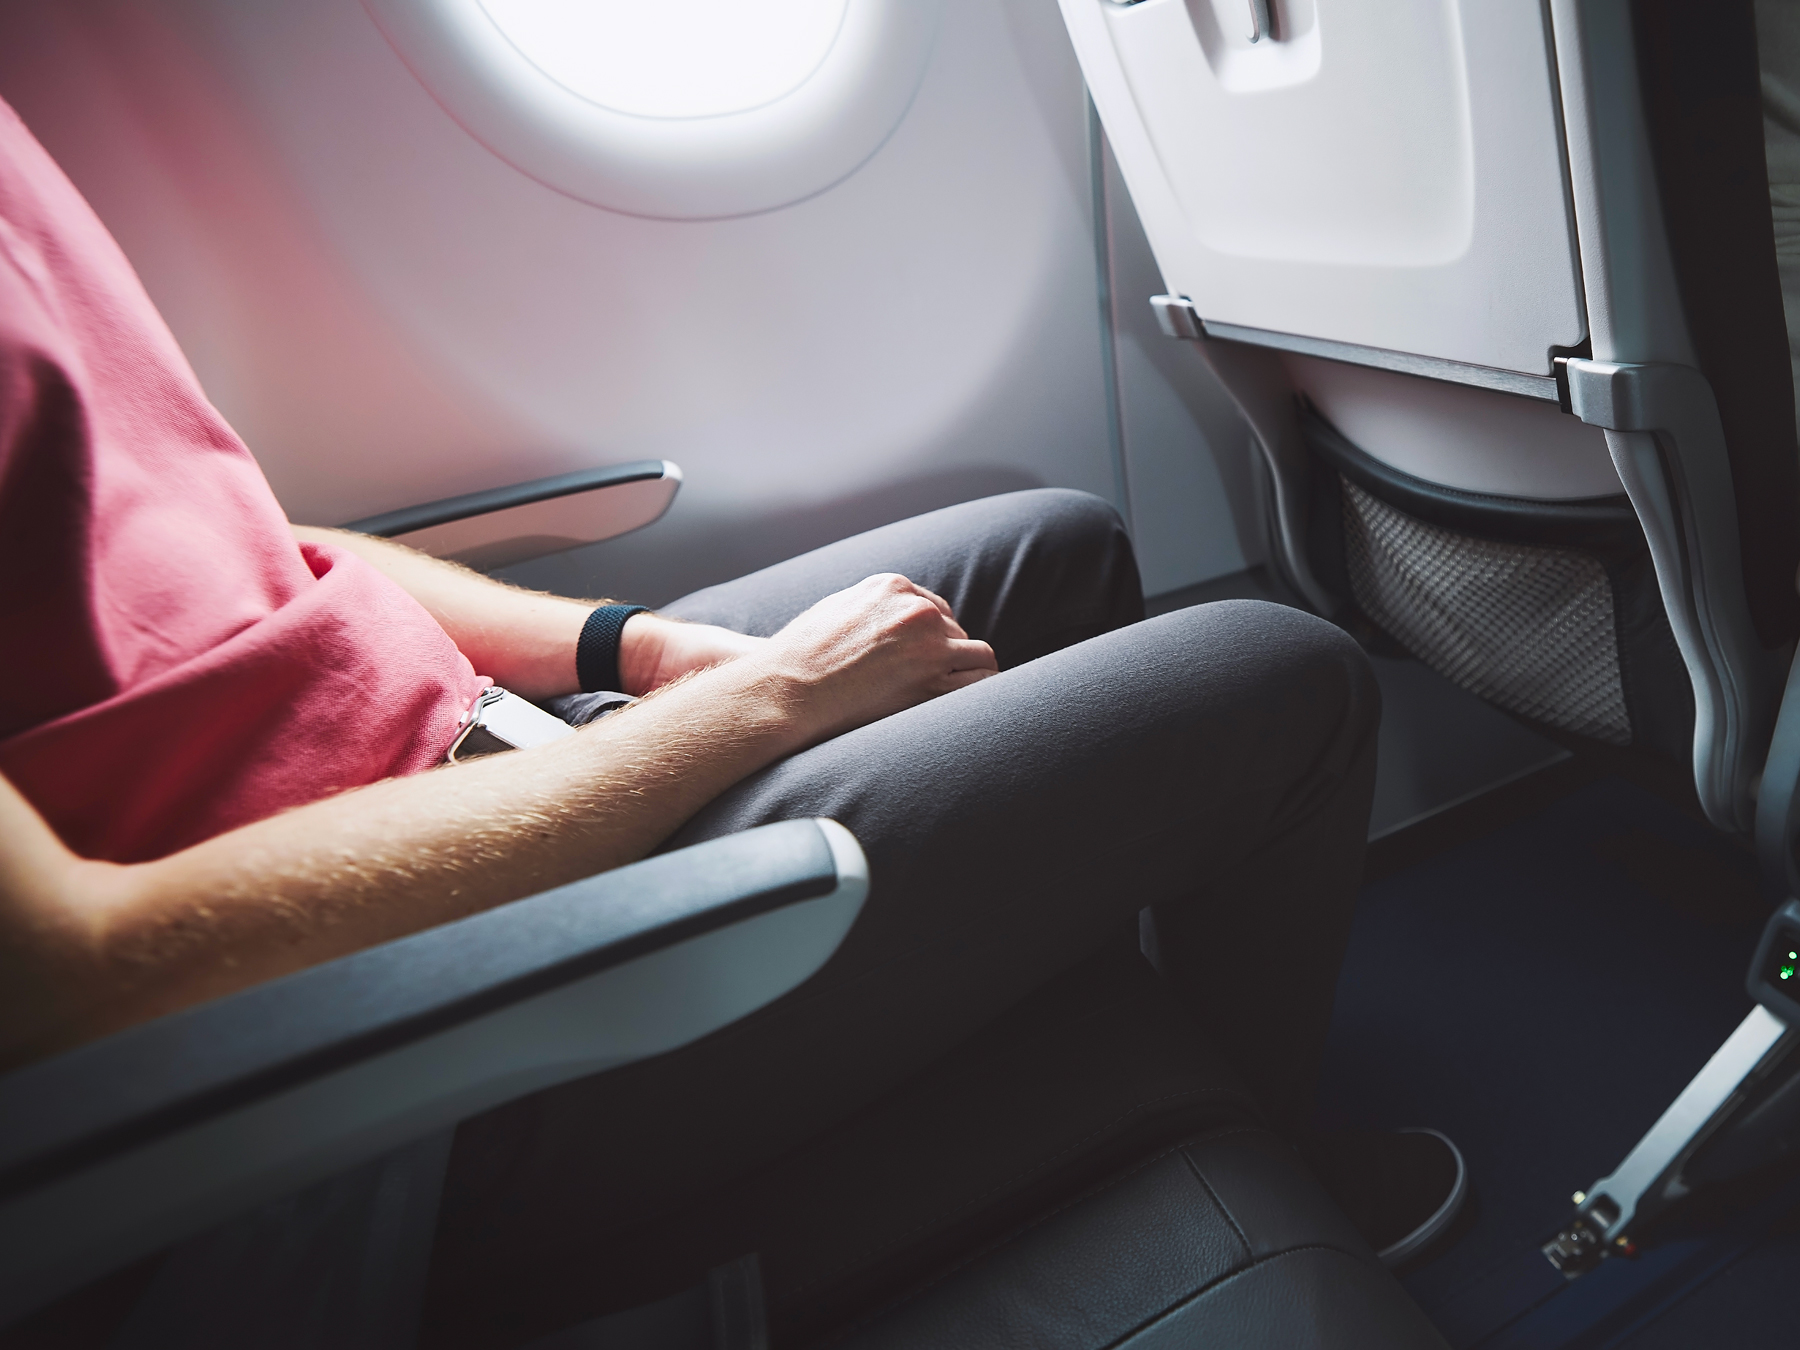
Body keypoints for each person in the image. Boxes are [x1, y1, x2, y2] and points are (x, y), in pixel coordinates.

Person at [0, 91, 1461, 1337]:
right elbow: (81, 978)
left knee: (1056, 548)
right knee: (1291, 686)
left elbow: (257, 537)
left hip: (484, 753)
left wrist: (635, 650)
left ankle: (1050, 1037)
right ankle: (1272, 1147)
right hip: (395, 1032)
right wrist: (771, 695)